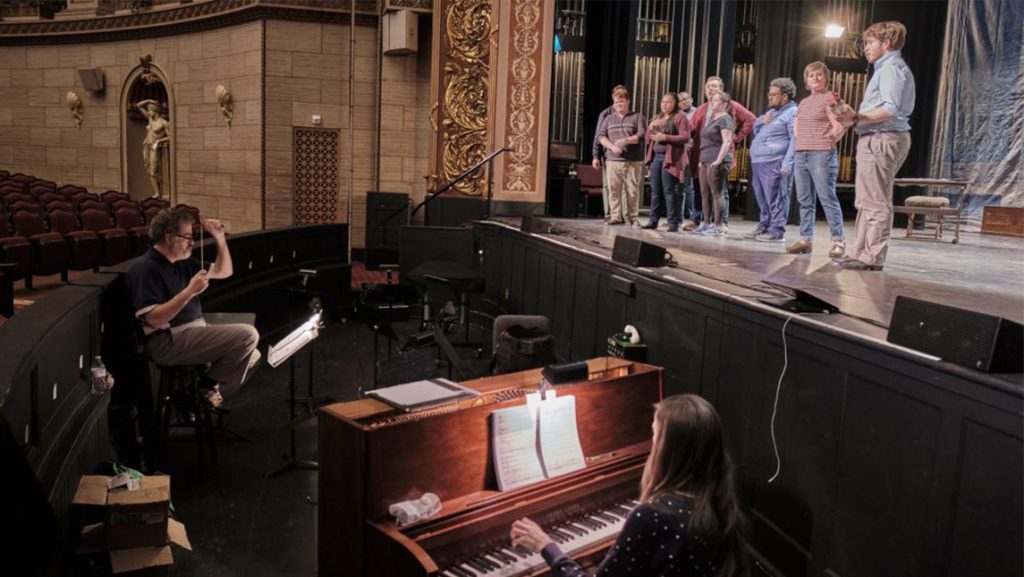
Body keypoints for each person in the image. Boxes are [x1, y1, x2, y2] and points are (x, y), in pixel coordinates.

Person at [509, 394, 748, 577]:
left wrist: (546, 546)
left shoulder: (653, 516)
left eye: (654, 435)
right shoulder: (719, 506)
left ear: (669, 451)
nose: (651, 445)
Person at [127, 206, 260, 409]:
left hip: (193, 331)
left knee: (254, 354)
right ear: (170, 237)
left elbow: (225, 271)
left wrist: (219, 238)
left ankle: (194, 397)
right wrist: (190, 291)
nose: (192, 242)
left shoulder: (183, 262)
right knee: (247, 336)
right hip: (167, 341)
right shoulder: (145, 268)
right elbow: (153, 319)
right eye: (187, 236)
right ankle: (203, 388)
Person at [835, 21, 916, 271]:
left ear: (886, 43)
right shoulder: (884, 68)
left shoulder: (892, 68)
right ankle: (860, 252)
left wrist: (857, 117)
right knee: (865, 200)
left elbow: (891, 109)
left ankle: (872, 256)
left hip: (884, 137)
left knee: (877, 201)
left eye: (870, 43)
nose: (866, 48)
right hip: (875, 137)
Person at [787, 62, 848, 258]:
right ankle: (806, 239)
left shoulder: (830, 99)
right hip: (801, 153)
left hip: (821, 153)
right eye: (811, 74)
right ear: (806, 79)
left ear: (826, 78)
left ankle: (838, 241)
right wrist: (799, 143)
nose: (815, 77)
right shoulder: (804, 103)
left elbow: (842, 125)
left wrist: (830, 139)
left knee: (826, 197)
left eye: (819, 74)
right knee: (804, 200)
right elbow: (796, 127)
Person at [684, 77, 756, 231]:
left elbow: (751, 118)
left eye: (715, 86)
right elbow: (692, 128)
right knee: (702, 190)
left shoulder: (731, 107)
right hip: (703, 154)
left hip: (720, 155)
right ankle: (703, 220)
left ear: (721, 90)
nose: (711, 89)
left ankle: (721, 223)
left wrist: (737, 137)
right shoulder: (702, 109)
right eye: (708, 86)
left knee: (719, 190)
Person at [747, 78, 798, 242]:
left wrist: (787, 163)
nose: (770, 97)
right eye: (769, 94)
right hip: (759, 161)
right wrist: (760, 121)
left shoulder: (792, 113)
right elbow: (757, 131)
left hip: (775, 161)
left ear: (785, 96)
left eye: (774, 95)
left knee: (776, 198)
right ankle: (764, 227)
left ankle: (776, 232)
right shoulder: (771, 113)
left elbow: (794, 139)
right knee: (763, 198)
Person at [598, 86, 646, 226]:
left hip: (632, 161)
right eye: (616, 102)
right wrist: (612, 146)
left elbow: (641, 135)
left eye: (622, 101)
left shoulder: (637, 117)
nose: (619, 104)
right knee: (613, 190)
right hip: (612, 161)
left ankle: (632, 218)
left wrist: (626, 140)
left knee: (632, 191)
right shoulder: (608, 119)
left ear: (628, 101)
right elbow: (601, 136)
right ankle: (615, 217)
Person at [642, 93, 691, 232]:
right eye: (663, 102)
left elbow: (685, 137)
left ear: (675, 103)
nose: (665, 104)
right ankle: (653, 220)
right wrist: (651, 126)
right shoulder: (658, 118)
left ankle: (673, 223)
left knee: (669, 192)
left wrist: (665, 137)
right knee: (655, 191)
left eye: (669, 102)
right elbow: (647, 140)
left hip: (670, 159)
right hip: (656, 157)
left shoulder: (680, 118)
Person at [695, 93, 735, 236]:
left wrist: (718, 160)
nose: (713, 103)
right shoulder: (712, 119)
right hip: (705, 159)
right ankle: (706, 222)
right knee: (704, 193)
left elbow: (727, 141)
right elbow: (705, 142)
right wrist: (701, 160)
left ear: (725, 103)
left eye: (717, 100)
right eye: (712, 100)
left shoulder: (725, 119)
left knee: (717, 193)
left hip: (717, 159)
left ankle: (719, 225)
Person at [592, 87, 623, 223]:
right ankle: (609, 213)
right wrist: (595, 155)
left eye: (622, 95)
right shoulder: (606, 114)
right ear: (613, 97)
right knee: (608, 185)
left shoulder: (631, 114)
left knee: (624, 187)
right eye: (617, 95)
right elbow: (599, 136)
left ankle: (622, 214)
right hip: (609, 155)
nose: (619, 98)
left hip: (625, 157)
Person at [136, 99, 170, 199]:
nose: (148, 112)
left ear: (155, 110)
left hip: (156, 148)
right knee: (150, 169)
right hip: (147, 146)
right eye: (148, 110)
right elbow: (138, 105)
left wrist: (159, 141)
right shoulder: (150, 119)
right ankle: (157, 192)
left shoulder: (164, 123)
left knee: (153, 171)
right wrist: (149, 100)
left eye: (150, 110)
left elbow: (171, 136)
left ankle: (159, 192)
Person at [677, 92, 700, 225]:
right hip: (679, 154)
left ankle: (693, 217)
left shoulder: (697, 113)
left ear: (691, 99)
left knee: (690, 187)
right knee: (679, 187)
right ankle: (678, 218)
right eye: (681, 100)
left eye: (686, 99)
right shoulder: (678, 116)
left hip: (693, 154)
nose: (684, 102)